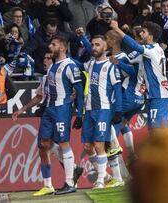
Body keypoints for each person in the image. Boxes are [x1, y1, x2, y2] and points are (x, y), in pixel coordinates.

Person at [12, 51, 83, 196]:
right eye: (44, 57)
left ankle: (68, 179)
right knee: (43, 145)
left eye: (48, 58)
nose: (44, 60)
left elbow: (76, 88)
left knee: (62, 143)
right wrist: (22, 109)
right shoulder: (45, 78)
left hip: (61, 112)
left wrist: (76, 106)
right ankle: (52, 182)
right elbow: (39, 97)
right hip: (49, 113)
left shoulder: (66, 70)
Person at [36, 36, 84, 195]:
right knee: (44, 143)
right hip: (49, 109)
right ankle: (74, 168)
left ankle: (69, 182)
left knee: (64, 143)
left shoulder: (70, 66)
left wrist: (80, 113)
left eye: (54, 44)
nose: (50, 46)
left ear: (63, 48)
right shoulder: (52, 66)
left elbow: (80, 89)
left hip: (62, 109)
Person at [111, 21, 168, 133]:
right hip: (156, 96)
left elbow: (134, 46)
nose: (141, 34)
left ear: (150, 36)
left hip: (159, 96)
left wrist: (117, 29)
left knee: (158, 135)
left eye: (144, 32)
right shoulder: (156, 49)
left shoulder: (151, 50)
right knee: (154, 134)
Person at [81, 35, 123, 189]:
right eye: (92, 44)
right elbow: (80, 62)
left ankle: (100, 180)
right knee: (87, 146)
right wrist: (81, 38)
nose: (93, 47)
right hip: (89, 110)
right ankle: (105, 175)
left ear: (105, 48)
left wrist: (118, 111)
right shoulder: (90, 64)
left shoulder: (111, 67)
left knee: (99, 144)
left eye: (97, 45)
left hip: (103, 110)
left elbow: (118, 91)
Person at [107, 28, 146, 164]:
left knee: (109, 122)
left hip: (128, 95)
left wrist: (119, 63)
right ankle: (131, 155)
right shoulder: (147, 53)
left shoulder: (130, 55)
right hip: (140, 97)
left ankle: (118, 158)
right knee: (123, 123)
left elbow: (132, 72)